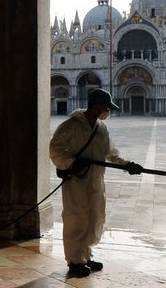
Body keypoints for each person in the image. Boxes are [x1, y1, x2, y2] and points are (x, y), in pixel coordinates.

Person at [49, 88, 142, 278]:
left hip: (96, 179)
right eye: (107, 108)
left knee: (94, 216)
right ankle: (75, 261)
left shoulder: (101, 128)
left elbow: (111, 153)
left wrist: (128, 165)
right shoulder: (71, 125)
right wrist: (72, 163)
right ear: (98, 107)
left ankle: (85, 255)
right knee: (76, 218)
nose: (108, 112)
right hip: (76, 181)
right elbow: (55, 149)